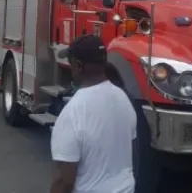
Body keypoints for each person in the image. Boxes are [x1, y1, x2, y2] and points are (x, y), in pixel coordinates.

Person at [50, 35, 136, 193]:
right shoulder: (124, 100)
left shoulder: (73, 112)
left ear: (79, 66)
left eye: (71, 63)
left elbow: (64, 180)